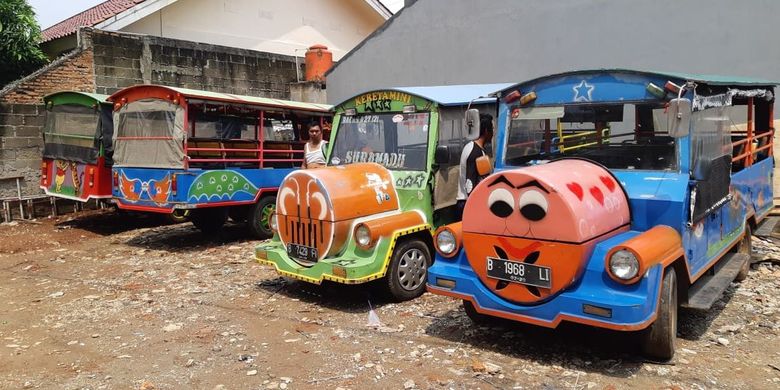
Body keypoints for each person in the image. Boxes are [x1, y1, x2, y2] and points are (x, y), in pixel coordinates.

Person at [456, 113, 494, 219]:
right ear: (487, 131)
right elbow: (470, 184)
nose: (493, 133)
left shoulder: (475, 148)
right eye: (492, 129)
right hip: (468, 204)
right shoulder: (474, 152)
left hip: (468, 203)